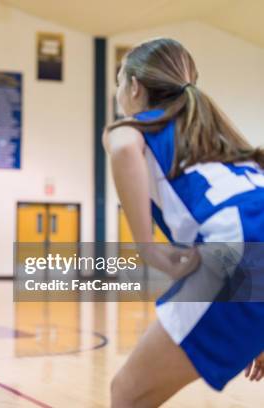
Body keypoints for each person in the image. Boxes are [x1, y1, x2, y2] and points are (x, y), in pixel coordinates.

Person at [104, 38, 264, 406]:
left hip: (239, 248)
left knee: (127, 393)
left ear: (133, 87)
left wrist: (149, 249)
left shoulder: (133, 127)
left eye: (118, 82)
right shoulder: (216, 136)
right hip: (252, 239)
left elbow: (124, 146)